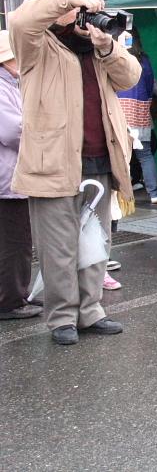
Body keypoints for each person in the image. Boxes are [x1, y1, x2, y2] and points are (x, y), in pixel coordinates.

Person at [8, 0, 140, 344]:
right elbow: (20, 20)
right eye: (76, 10)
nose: (82, 17)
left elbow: (130, 76)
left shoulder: (96, 48)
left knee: (95, 243)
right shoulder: (36, 44)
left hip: (101, 160)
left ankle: (90, 310)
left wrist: (107, 45)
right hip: (53, 164)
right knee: (58, 247)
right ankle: (62, 317)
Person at [0, 30, 42, 320]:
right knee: (15, 243)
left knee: (17, 240)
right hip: (8, 177)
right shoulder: (3, 87)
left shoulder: (12, 84)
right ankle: (10, 300)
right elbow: (12, 130)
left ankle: (18, 294)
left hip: (13, 174)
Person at [118, 26, 157, 204]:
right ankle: (154, 192)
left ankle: (120, 195)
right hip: (141, 110)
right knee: (145, 154)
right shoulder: (144, 59)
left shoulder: (116, 58)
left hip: (118, 110)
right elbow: (151, 85)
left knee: (119, 155)